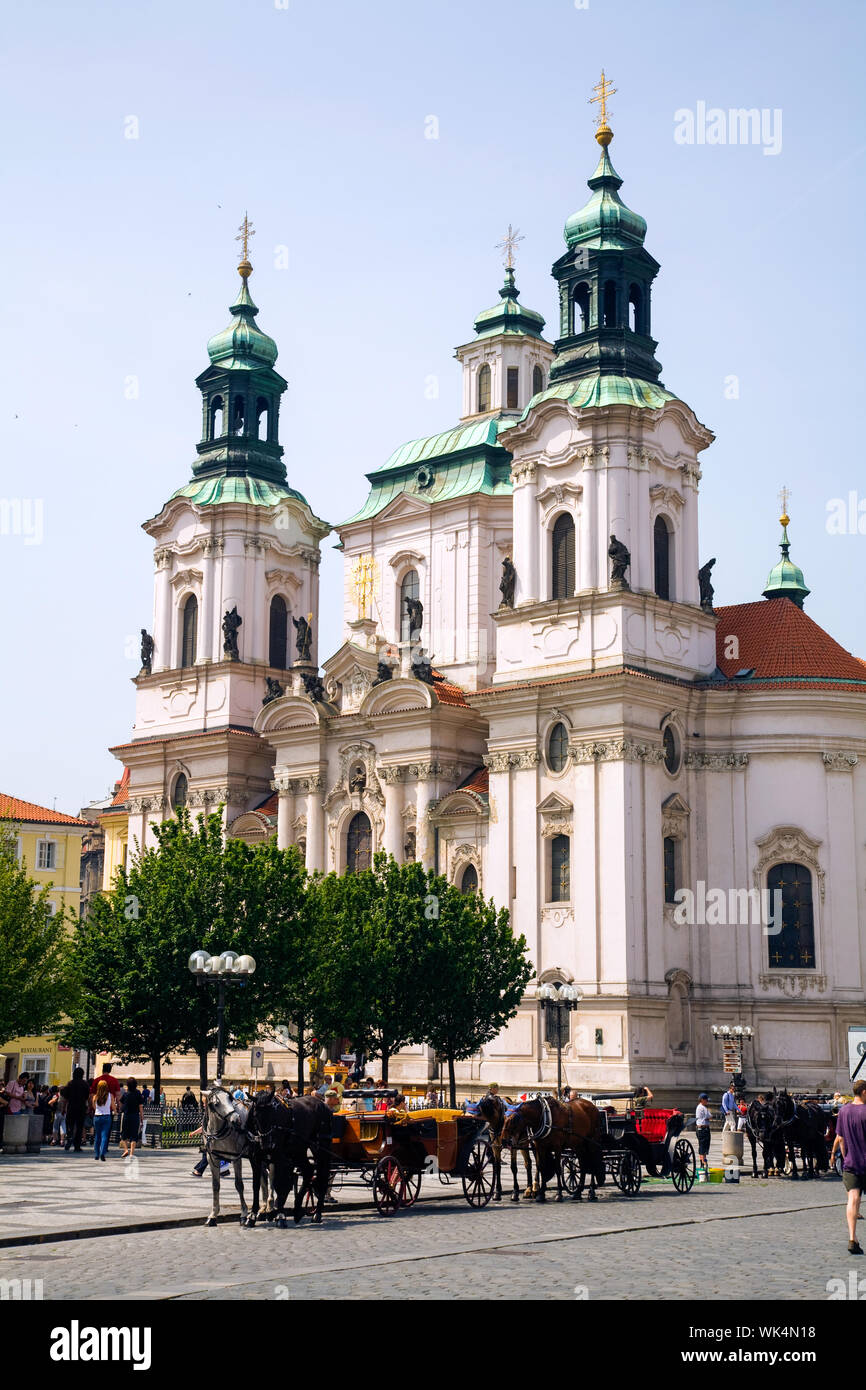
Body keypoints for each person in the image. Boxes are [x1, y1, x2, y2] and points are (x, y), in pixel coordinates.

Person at [832, 1078, 866, 1255]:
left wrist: (846, 1158)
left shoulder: (844, 1112)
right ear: (864, 1092)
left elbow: (841, 1139)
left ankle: (852, 1238)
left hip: (851, 1163)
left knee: (852, 1199)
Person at [61, 1067, 90, 1151]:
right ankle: (77, 1145)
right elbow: (87, 1097)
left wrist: (63, 1108)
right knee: (80, 1127)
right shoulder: (85, 1084)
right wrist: (89, 1107)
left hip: (71, 1107)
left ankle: (69, 1137)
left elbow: (65, 1098)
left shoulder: (70, 1084)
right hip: (81, 1107)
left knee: (70, 1124)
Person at [91, 1078, 116, 1161]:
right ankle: (103, 1153)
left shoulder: (95, 1096)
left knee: (97, 1136)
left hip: (97, 1116)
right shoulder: (110, 1095)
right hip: (107, 1116)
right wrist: (115, 1111)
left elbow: (94, 1107)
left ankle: (97, 1154)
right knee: (104, 1136)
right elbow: (113, 1106)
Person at [119, 1078, 143, 1159]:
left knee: (124, 1134)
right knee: (134, 1135)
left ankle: (126, 1150)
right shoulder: (138, 1093)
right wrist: (142, 1117)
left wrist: (121, 1109)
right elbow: (140, 1106)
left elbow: (121, 1103)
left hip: (126, 1116)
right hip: (135, 1116)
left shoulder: (126, 1094)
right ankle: (132, 1153)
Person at [696, 1092, 712, 1175]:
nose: (707, 1101)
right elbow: (709, 1116)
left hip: (704, 1129)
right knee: (703, 1148)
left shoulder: (703, 1107)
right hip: (703, 1129)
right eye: (706, 1100)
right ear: (702, 1100)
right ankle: (704, 1164)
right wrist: (708, 1119)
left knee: (703, 1148)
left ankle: (703, 1163)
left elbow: (710, 1116)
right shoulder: (701, 1107)